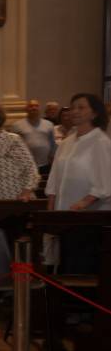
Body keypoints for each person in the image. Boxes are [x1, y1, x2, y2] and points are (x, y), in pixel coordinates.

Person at [45, 93, 111, 273]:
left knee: (83, 267)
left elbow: (105, 184)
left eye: (81, 107)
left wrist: (82, 204)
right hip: (64, 217)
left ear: (94, 113)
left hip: (89, 219)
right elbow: (54, 180)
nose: (75, 111)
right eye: (73, 107)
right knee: (64, 267)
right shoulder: (66, 143)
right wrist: (51, 213)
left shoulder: (101, 142)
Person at [12, 98, 57, 174]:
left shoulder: (49, 124)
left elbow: (52, 143)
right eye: (31, 106)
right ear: (26, 109)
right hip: (25, 165)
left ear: (39, 108)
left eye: (36, 106)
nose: (34, 108)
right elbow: (13, 145)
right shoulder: (17, 125)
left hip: (45, 164)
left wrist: (53, 159)